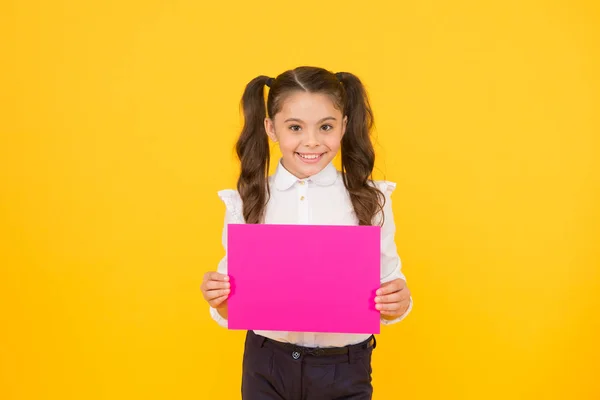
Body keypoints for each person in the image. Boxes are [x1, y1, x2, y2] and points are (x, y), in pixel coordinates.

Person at [200, 66, 413, 399]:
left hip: (344, 368)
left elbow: (390, 285)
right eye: (295, 127)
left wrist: (398, 301)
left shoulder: (370, 200)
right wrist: (219, 297)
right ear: (271, 128)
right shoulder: (247, 201)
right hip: (266, 364)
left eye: (325, 127)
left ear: (343, 126)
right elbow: (231, 304)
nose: (312, 141)